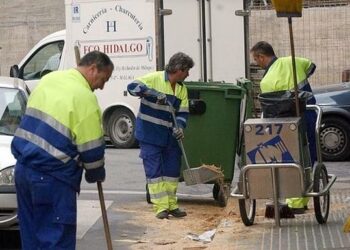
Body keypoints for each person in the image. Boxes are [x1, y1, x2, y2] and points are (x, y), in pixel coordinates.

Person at [11, 51, 114, 249]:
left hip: (23, 171)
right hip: (52, 179)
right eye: (103, 79)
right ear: (93, 69)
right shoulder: (85, 99)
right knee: (55, 240)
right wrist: (96, 174)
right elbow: (92, 153)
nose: (102, 86)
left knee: (31, 237)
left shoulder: (49, 79)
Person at [251, 41, 317, 214]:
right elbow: (312, 67)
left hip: (285, 124)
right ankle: (303, 198)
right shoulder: (295, 60)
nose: (256, 63)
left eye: (256, 59)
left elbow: (270, 109)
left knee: (289, 157)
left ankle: (295, 201)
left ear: (261, 56)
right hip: (308, 114)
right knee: (308, 155)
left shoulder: (266, 81)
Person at [127, 52, 194, 219]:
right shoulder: (154, 78)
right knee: (154, 172)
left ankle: (172, 205)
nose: (188, 74)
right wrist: (152, 93)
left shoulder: (181, 89)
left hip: (170, 137)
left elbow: (183, 113)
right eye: (187, 71)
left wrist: (180, 127)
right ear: (179, 69)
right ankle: (161, 208)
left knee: (172, 172)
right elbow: (132, 87)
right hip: (150, 135)